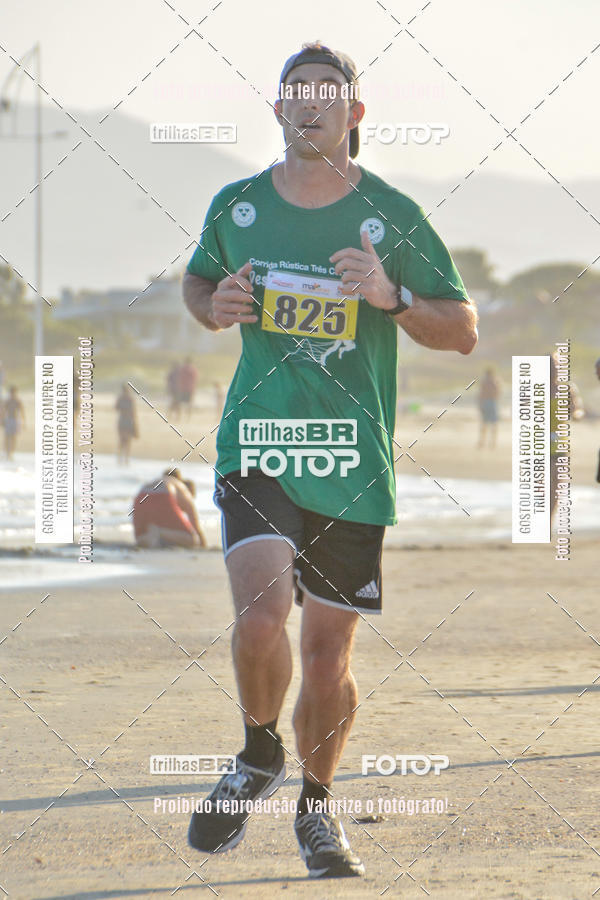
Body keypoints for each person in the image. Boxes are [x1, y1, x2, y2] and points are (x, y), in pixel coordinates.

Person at [182, 41, 477, 878]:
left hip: (352, 459)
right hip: (260, 440)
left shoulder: (393, 215)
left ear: (354, 113)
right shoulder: (237, 206)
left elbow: (462, 330)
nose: (309, 104)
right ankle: (257, 751)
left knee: (325, 657)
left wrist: (392, 297)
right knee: (261, 614)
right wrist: (215, 304)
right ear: (278, 110)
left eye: (326, 92)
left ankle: (317, 808)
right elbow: (198, 285)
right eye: (295, 93)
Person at [132, 468, 207, 548]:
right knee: (192, 539)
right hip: (164, 492)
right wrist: (204, 545)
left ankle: (146, 538)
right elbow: (196, 525)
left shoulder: (161, 481)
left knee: (146, 535)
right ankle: (158, 532)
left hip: (141, 495)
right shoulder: (182, 488)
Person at [477, 366, 500, 448]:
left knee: (486, 423)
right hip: (492, 402)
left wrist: (480, 404)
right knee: (491, 424)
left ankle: (485, 442)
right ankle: (491, 442)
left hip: (488, 402)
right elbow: (498, 393)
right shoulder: (494, 381)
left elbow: (481, 394)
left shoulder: (486, 382)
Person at [115, 383, 138, 466]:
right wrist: (135, 424)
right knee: (128, 441)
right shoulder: (130, 398)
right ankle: (126, 459)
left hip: (122, 420)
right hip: (129, 421)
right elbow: (133, 412)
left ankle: (119, 458)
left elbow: (116, 408)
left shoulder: (120, 398)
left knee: (121, 440)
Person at [2, 385, 25, 460]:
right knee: (7, 437)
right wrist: (2, 420)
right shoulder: (7, 401)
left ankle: (11, 452)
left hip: (15, 420)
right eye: (12, 392)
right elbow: (3, 411)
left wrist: (23, 422)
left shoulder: (18, 401)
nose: (12, 394)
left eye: (14, 392)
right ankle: (7, 452)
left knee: (13, 437)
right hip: (8, 420)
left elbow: (22, 411)